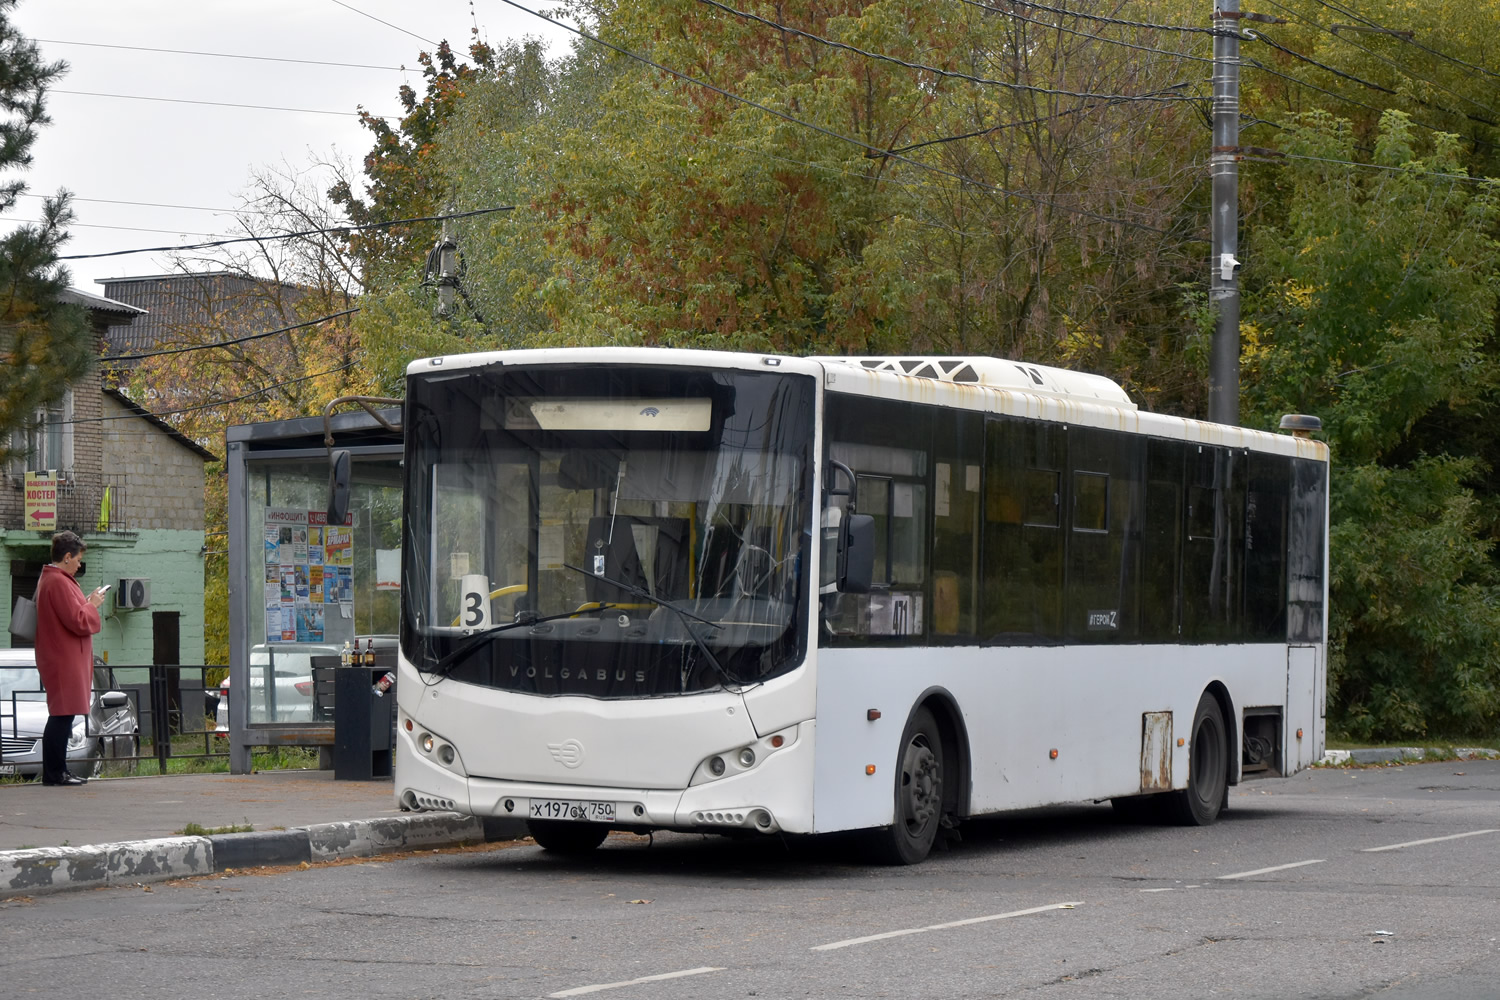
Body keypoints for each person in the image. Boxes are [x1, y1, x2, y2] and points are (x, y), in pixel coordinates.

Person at [34, 530, 107, 786]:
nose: (79, 564)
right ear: (67, 557)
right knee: (61, 715)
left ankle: (58, 771)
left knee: (63, 714)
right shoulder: (58, 581)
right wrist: (93, 605)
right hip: (62, 658)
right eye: (77, 560)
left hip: (61, 656)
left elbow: (71, 613)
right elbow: (77, 620)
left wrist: (86, 602)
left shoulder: (56, 579)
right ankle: (55, 773)